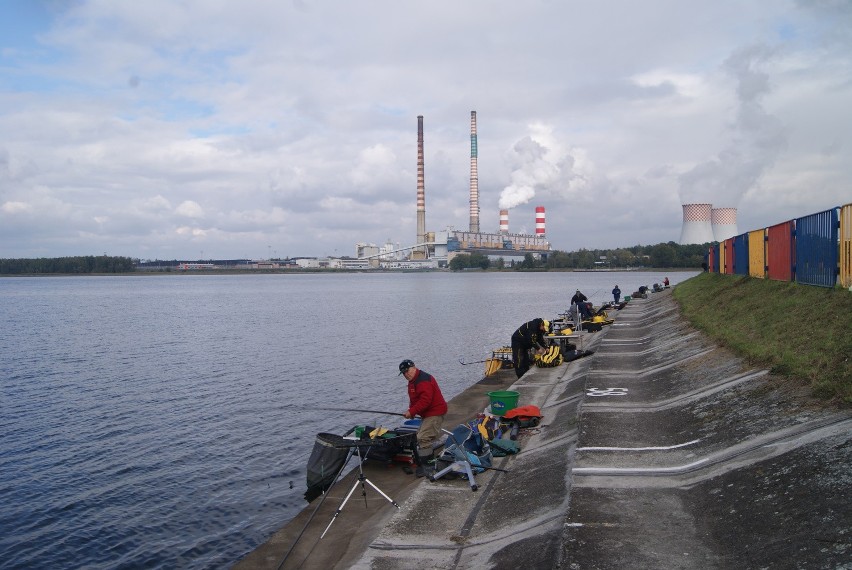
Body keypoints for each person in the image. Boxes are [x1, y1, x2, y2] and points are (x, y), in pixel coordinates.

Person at [398, 359, 448, 478]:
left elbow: (426, 401)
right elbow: (414, 399)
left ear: (414, 367)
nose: (406, 374)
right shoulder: (412, 381)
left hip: (436, 412)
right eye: (403, 373)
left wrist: (412, 411)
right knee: (420, 435)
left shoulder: (423, 380)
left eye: (407, 371)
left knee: (423, 437)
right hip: (428, 414)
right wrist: (411, 411)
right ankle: (428, 460)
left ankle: (428, 466)